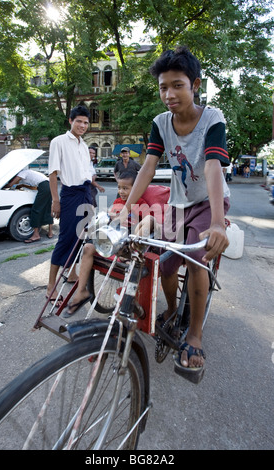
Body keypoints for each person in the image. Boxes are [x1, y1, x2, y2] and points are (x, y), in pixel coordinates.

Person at [119, 46, 230, 382]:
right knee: (164, 263)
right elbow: (148, 168)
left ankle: (194, 335)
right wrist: (122, 212)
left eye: (177, 85)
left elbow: (212, 166)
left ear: (195, 84)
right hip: (178, 203)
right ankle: (173, 309)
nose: (169, 94)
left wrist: (216, 222)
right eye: (163, 87)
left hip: (209, 203)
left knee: (196, 254)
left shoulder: (213, 119)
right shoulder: (160, 124)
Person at [62, 170, 155, 318]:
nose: (121, 191)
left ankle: (129, 253)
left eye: (125, 188)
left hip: (130, 241)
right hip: (112, 239)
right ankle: (81, 292)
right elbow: (109, 222)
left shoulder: (141, 204)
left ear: (136, 189)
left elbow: (146, 225)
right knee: (87, 247)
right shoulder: (118, 202)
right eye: (119, 188)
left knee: (148, 220)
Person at [46, 105, 94, 307]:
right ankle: (50, 286)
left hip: (86, 194)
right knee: (66, 238)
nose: (82, 125)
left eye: (85, 122)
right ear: (71, 121)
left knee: (83, 237)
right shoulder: (59, 142)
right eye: (79, 121)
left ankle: (73, 273)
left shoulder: (84, 146)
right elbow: (53, 174)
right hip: (70, 195)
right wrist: (55, 200)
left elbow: (88, 172)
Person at [5, 169, 53, 242]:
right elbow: (35, 187)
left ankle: (36, 235)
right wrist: (23, 185)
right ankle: (50, 232)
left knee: (36, 210)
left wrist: (5, 186)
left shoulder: (22, 173)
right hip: (50, 185)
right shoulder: (30, 172)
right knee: (47, 208)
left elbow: (11, 184)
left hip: (45, 187)